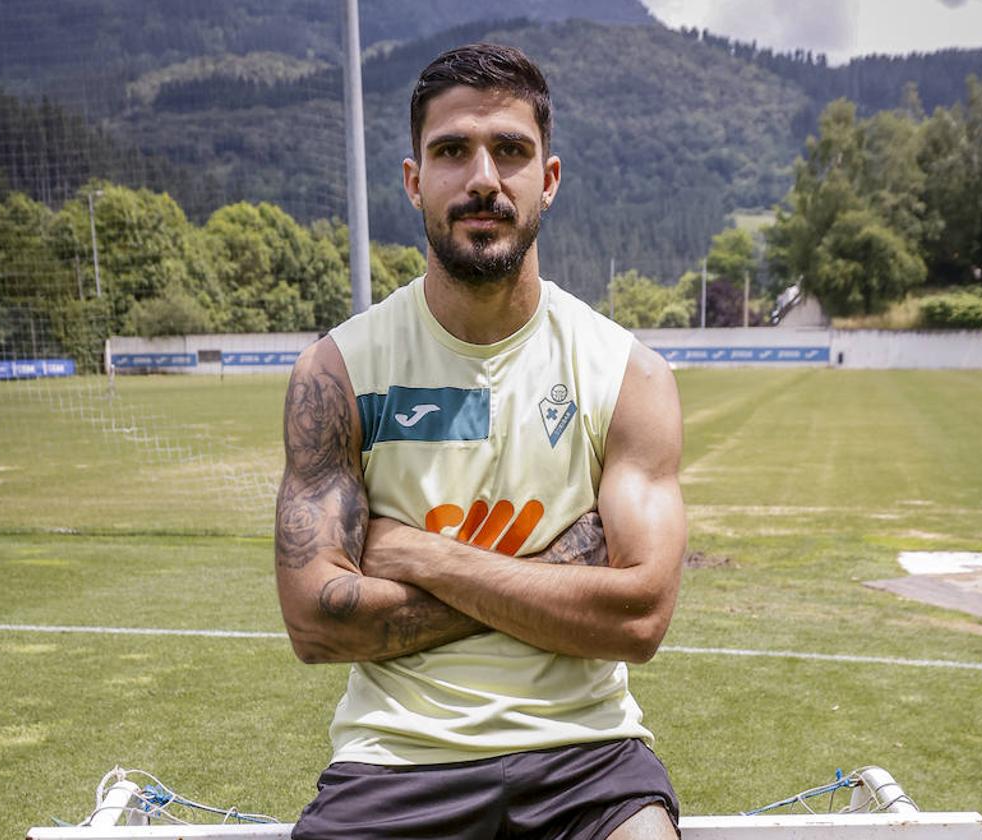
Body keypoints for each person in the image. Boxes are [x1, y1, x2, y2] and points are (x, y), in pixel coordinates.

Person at [276, 42, 685, 839]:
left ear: (549, 179)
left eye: (511, 151)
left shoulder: (627, 374)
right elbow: (318, 623)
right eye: (453, 150)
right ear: (413, 179)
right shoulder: (337, 371)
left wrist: (420, 555)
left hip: (587, 758)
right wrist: (560, 580)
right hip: (395, 760)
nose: (484, 178)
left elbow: (639, 621)